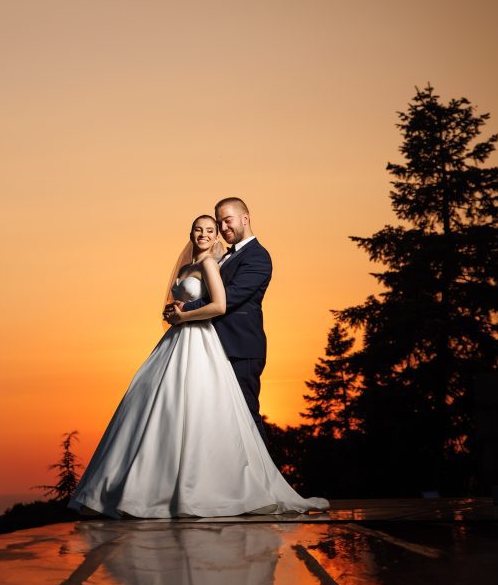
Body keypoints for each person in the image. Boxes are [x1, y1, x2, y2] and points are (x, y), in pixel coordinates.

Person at [67, 210, 327, 518]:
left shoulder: (230, 261)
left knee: (229, 417)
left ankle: (247, 487)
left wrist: (184, 313)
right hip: (183, 342)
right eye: (198, 229)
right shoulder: (205, 262)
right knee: (167, 408)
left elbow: (222, 302)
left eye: (212, 227)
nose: (204, 233)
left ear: (240, 220)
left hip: (219, 342)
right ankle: (155, 486)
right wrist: (173, 314)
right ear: (191, 234)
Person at [167, 197, 271, 443]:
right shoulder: (222, 256)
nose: (224, 228)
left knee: (246, 415)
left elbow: (229, 297)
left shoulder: (258, 257)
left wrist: (187, 309)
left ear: (245, 218)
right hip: (213, 346)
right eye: (220, 222)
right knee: (219, 418)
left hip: (240, 348)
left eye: (228, 220)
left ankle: (265, 478)